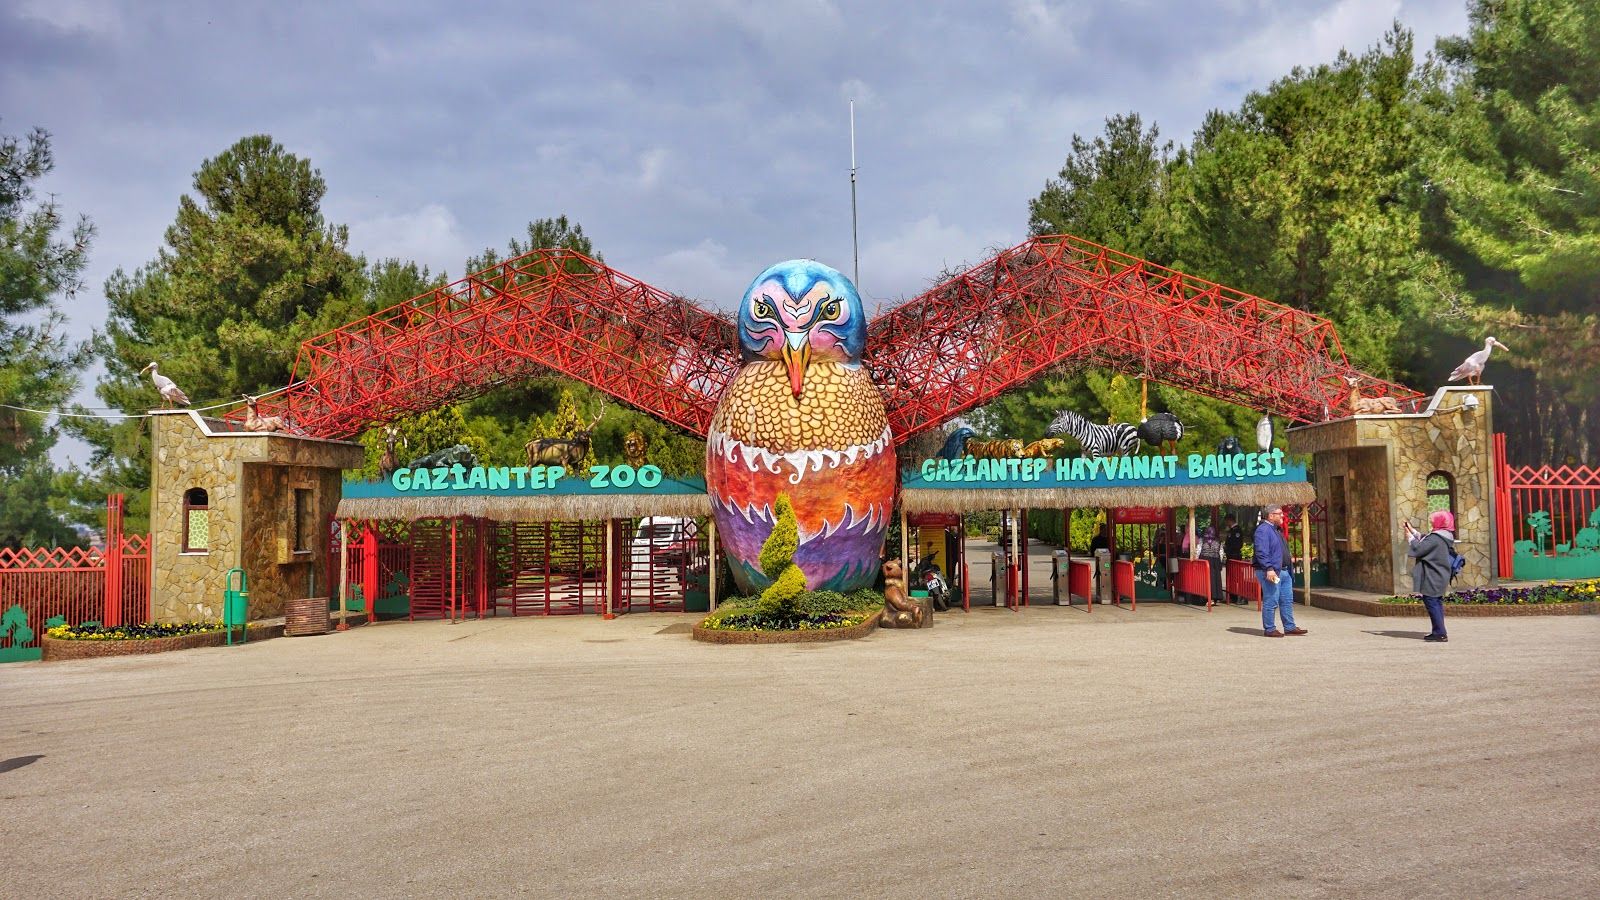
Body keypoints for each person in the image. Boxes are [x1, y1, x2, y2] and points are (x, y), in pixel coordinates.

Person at [1253, 506, 1305, 636]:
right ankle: (1270, 629)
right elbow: (1261, 552)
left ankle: (1289, 626)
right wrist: (1268, 569)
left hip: (1284, 571)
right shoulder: (1263, 530)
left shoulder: (1275, 529)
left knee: (1286, 600)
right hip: (1272, 572)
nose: (1282, 516)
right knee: (1272, 599)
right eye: (1280, 514)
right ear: (1271, 516)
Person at [1406, 510, 1454, 642]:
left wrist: (1410, 538)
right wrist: (1414, 532)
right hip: (1439, 573)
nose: (1432, 522)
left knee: (1432, 602)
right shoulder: (1444, 535)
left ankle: (1439, 633)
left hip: (1433, 574)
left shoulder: (1436, 537)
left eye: (1433, 520)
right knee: (1436, 602)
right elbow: (1426, 541)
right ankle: (1439, 631)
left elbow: (1420, 549)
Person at [1198, 525, 1225, 603]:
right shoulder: (1218, 541)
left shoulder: (1202, 540)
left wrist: (1196, 560)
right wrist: (1219, 561)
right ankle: (1215, 596)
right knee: (1215, 579)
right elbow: (1221, 553)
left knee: (1205, 579)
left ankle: (1206, 597)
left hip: (1204, 560)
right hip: (1215, 561)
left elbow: (1198, 551)